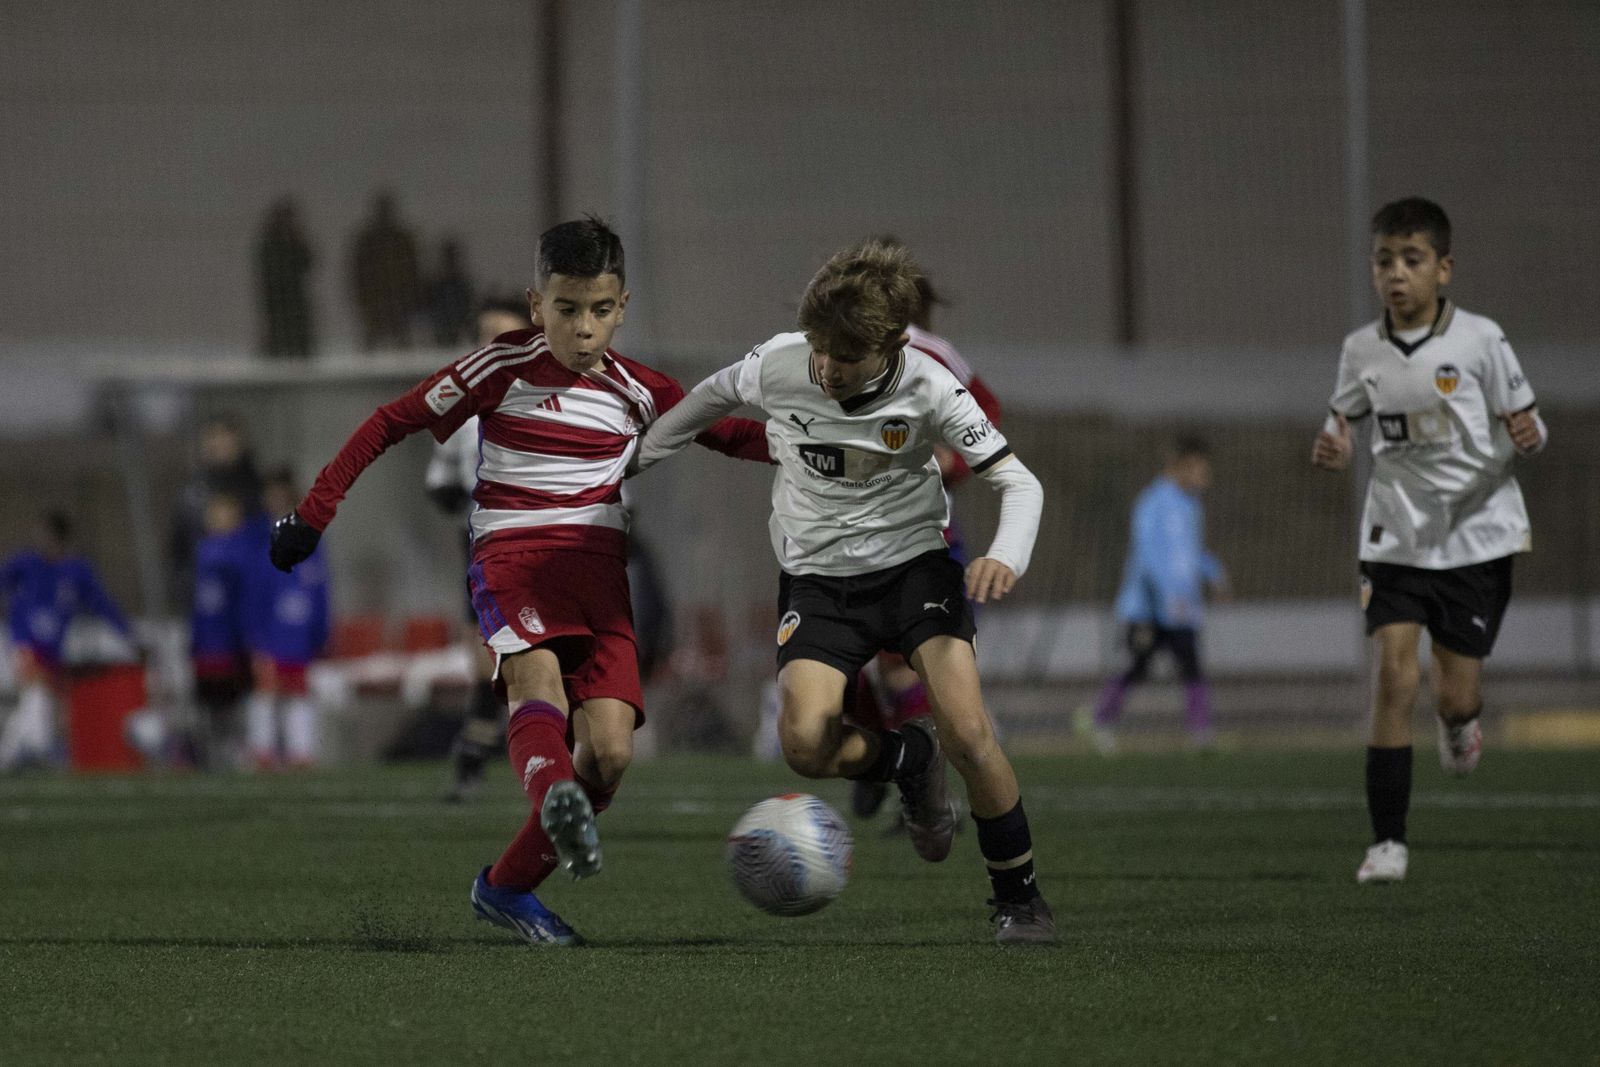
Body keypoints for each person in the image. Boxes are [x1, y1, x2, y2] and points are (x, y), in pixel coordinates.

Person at [268, 217, 769, 945]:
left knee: (611, 752)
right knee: (539, 684)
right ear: (537, 306)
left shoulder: (640, 388)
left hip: (600, 573)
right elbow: (387, 422)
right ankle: (556, 795)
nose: (584, 328)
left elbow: (731, 434)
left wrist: (831, 449)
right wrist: (313, 514)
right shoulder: (499, 367)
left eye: (600, 310)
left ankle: (505, 886)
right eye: (566, 309)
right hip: (515, 558)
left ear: (622, 307)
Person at [635, 238, 1055, 944]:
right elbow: (706, 400)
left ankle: (1020, 898)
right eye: (820, 348)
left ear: (892, 345)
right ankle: (909, 760)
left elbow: (1019, 481)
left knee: (969, 732)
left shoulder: (930, 385)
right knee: (804, 743)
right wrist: (633, 461)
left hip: (914, 569)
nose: (826, 367)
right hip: (819, 580)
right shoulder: (779, 361)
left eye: (846, 356)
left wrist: (1004, 555)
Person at [1310, 197, 1547, 885]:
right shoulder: (1361, 349)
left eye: (1411, 260)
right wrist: (1334, 442)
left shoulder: (1481, 340)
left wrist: (1531, 435)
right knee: (1394, 677)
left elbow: (1529, 422)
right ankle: (1388, 842)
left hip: (1476, 536)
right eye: (1384, 260)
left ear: (1443, 269)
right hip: (1395, 534)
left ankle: (1458, 721)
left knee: (1455, 695)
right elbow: (1341, 416)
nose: (1396, 273)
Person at [847, 243, 1004, 821]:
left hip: (918, 535)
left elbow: (987, 411)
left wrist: (954, 460)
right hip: (845, 535)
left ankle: (920, 786)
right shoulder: (834, 351)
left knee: (912, 665)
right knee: (853, 664)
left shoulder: (928, 350)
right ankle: (883, 759)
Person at [428, 295, 532, 803]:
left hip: (539, 538)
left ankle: (551, 755)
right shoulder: (462, 401)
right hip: (480, 542)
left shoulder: (553, 394)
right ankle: (474, 758)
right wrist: (445, 488)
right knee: (487, 659)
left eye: (504, 333)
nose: (493, 342)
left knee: (539, 655)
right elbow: (442, 472)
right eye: (485, 333)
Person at [1077, 436, 1228, 754]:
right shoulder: (1153, 502)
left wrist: (1214, 573)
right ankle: (1099, 721)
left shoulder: (1192, 505)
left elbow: (1190, 552)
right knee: (1137, 666)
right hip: (1146, 608)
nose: (1205, 478)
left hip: (1182, 608)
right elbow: (1145, 555)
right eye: (1199, 470)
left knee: (1191, 665)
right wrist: (1167, 595)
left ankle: (1201, 733)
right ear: (1181, 466)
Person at [0, 512, 134, 771]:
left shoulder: (76, 571)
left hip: (52, 651)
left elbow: (101, 604)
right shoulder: (26, 564)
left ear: (60, 539)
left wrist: (126, 633)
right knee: (36, 692)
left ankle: (28, 750)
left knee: (43, 701)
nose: (43, 542)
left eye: (48, 536)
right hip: (24, 642)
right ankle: (14, 753)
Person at [245, 471, 331, 769]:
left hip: (299, 637)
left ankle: (300, 752)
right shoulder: (259, 543)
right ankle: (262, 751)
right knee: (266, 693)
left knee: (298, 694)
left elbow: (320, 592)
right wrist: (254, 634)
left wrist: (320, 632)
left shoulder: (312, 543)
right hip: (269, 635)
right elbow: (254, 593)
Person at [189, 491, 255, 768]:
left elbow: (244, 598)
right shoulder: (204, 550)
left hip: (231, 642)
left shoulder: (240, 551)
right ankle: (213, 754)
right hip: (207, 643)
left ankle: (239, 752)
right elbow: (199, 602)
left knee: (236, 702)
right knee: (210, 704)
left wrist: (245, 637)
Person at [350, 191, 422, 350]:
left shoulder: (400, 239)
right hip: (378, 300)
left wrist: (411, 295)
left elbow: (412, 270)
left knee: (401, 342)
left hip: (396, 299)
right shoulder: (369, 240)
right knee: (376, 342)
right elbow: (359, 274)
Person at [257, 197, 317, 358]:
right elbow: (271, 271)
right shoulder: (271, 244)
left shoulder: (292, 240)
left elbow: (309, 262)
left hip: (293, 300)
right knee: (278, 343)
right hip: (278, 300)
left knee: (298, 343)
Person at [426, 239, 476, 348]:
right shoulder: (439, 283)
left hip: (455, 320)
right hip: (443, 322)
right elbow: (433, 304)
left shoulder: (460, 283)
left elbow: (466, 304)